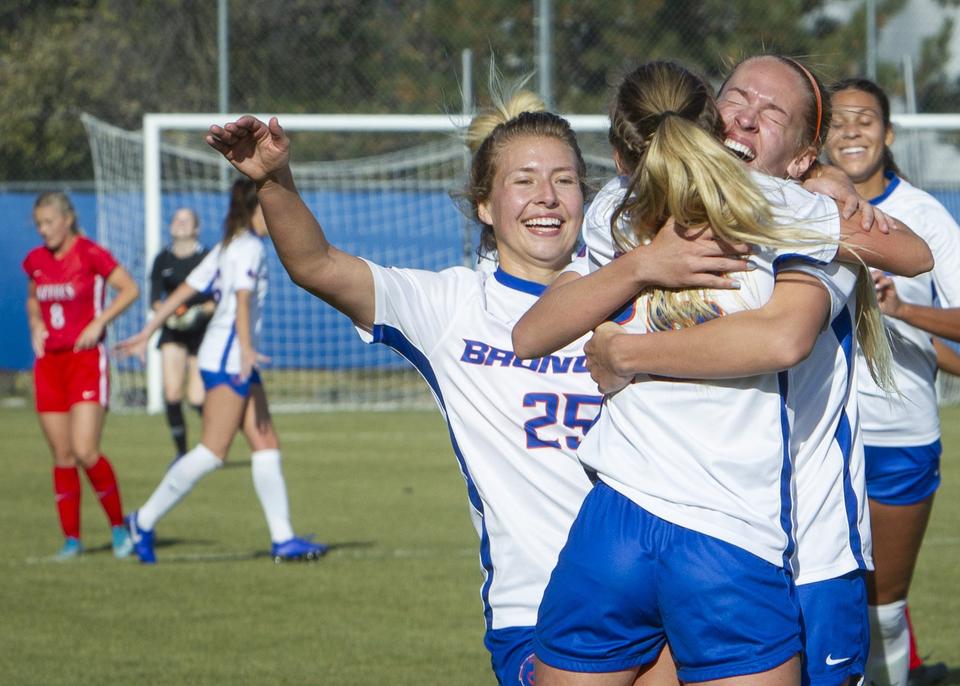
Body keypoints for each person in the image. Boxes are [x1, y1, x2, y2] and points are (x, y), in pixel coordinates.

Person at [202, 92, 679, 686]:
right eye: (523, 180)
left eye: (564, 179)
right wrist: (274, 181)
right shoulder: (450, 305)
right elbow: (317, 265)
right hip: (536, 610)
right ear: (484, 204)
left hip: (663, 598)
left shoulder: (642, 293)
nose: (547, 198)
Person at [515, 56, 933, 686]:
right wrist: (639, 268)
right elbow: (535, 328)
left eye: (773, 112)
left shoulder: (789, 216)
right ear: (705, 115)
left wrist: (627, 351)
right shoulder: (671, 208)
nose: (745, 116)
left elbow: (786, 334)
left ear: (801, 154)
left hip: (800, 548)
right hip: (721, 535)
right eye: (735, 98)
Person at [823, 77, 960, 686]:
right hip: (812, 439)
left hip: (899, 438)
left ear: (889, 133)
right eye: (838, 119)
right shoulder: (794, 206)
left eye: (865, 119)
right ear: (818, 135)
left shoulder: (924, 214)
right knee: (809, 605)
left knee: (885, 612)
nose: (851, 130)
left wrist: (902, 308)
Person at [117, 179, 327, 565]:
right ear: (254, 210)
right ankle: (142, 522)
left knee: (265, 445)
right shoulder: (246, 248)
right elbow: (242, 301)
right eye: (270, 209)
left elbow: (182, 293)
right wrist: (247, 350)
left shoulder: (229, 246)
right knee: (213, 452)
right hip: (230, 360)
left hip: (229, 357)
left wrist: (146, 331)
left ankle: (283, 539)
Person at [23, 191, 139, 560]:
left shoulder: (90, 253)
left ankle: (120, 529)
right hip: (50, 365)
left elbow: (129, 289)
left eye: (49, 222)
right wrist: (35, 324)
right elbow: (32, 299)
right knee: (62, 454)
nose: (43, 231)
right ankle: (72, 539)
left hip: (85, 361)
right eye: (39, 224)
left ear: (67, 220)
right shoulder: (36, 260)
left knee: (85, 450)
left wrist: (100, 322)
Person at [149, 207, 214, 458]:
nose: (180, 223)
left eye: (186, 220)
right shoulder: (162, 259)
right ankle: (181, 453)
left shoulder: (207, 257)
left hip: (201, 332)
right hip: (173, 331)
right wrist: (171, 314)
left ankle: (212, 445)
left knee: (197, 398)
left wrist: (197, 313)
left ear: (196, 228)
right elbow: (155, 299)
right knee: (172, 393)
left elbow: (216, 299)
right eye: (176, 219)